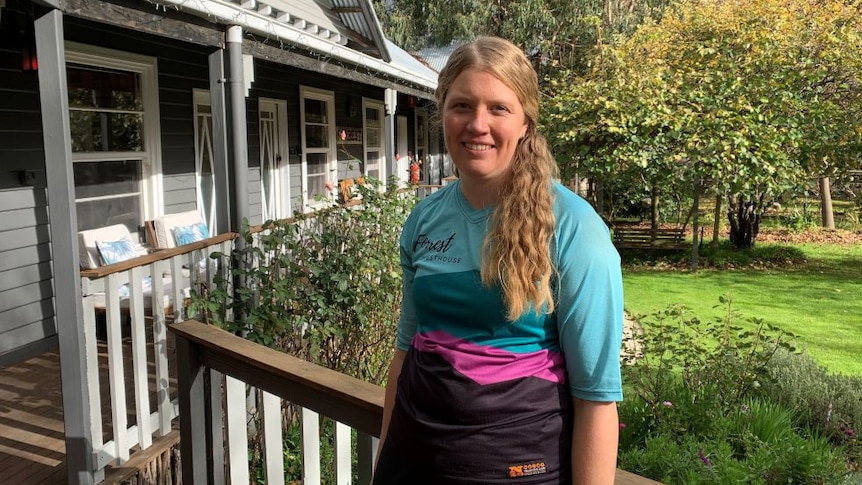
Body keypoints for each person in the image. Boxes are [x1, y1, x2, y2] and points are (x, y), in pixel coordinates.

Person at [373, 36, 624, 485]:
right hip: (411, 461)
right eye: (462, 106)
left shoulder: (574, 229)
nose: (477, 124)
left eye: (498, 108)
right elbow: (405, 352)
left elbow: (597, 399)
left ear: (526, 121)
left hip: (518, 468)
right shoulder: (423, 220)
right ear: (443, 112)